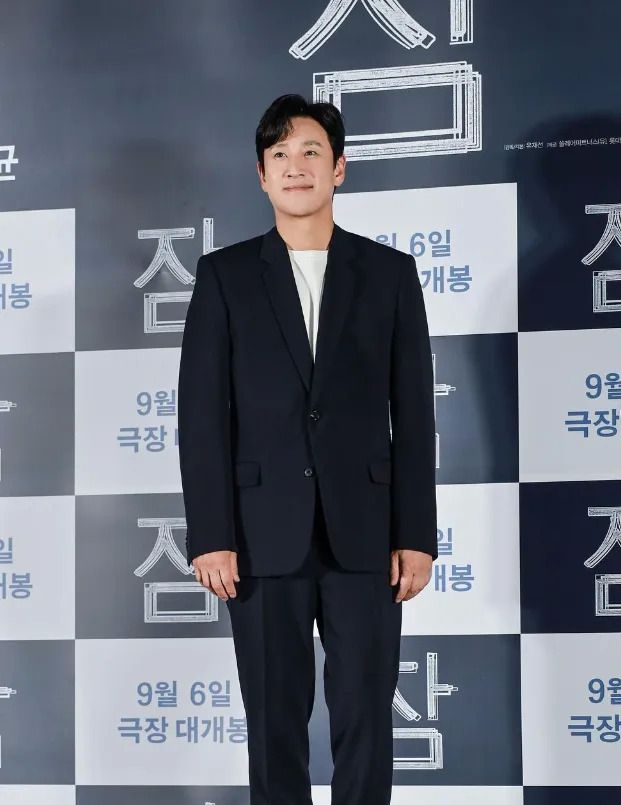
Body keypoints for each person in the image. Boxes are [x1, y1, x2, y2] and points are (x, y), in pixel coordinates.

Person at [177, 93, 437, 805]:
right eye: (280, 155)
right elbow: (201, 417)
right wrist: (211, 535)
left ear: (339, 168)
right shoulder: (225, 277)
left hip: (368, 535)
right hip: (260, 537)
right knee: (273, 723)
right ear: (261, 175)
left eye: (311, 152)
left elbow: (415, 416)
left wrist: (416, 534)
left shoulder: (388, 274)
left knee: (366, 720)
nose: (296, 167)